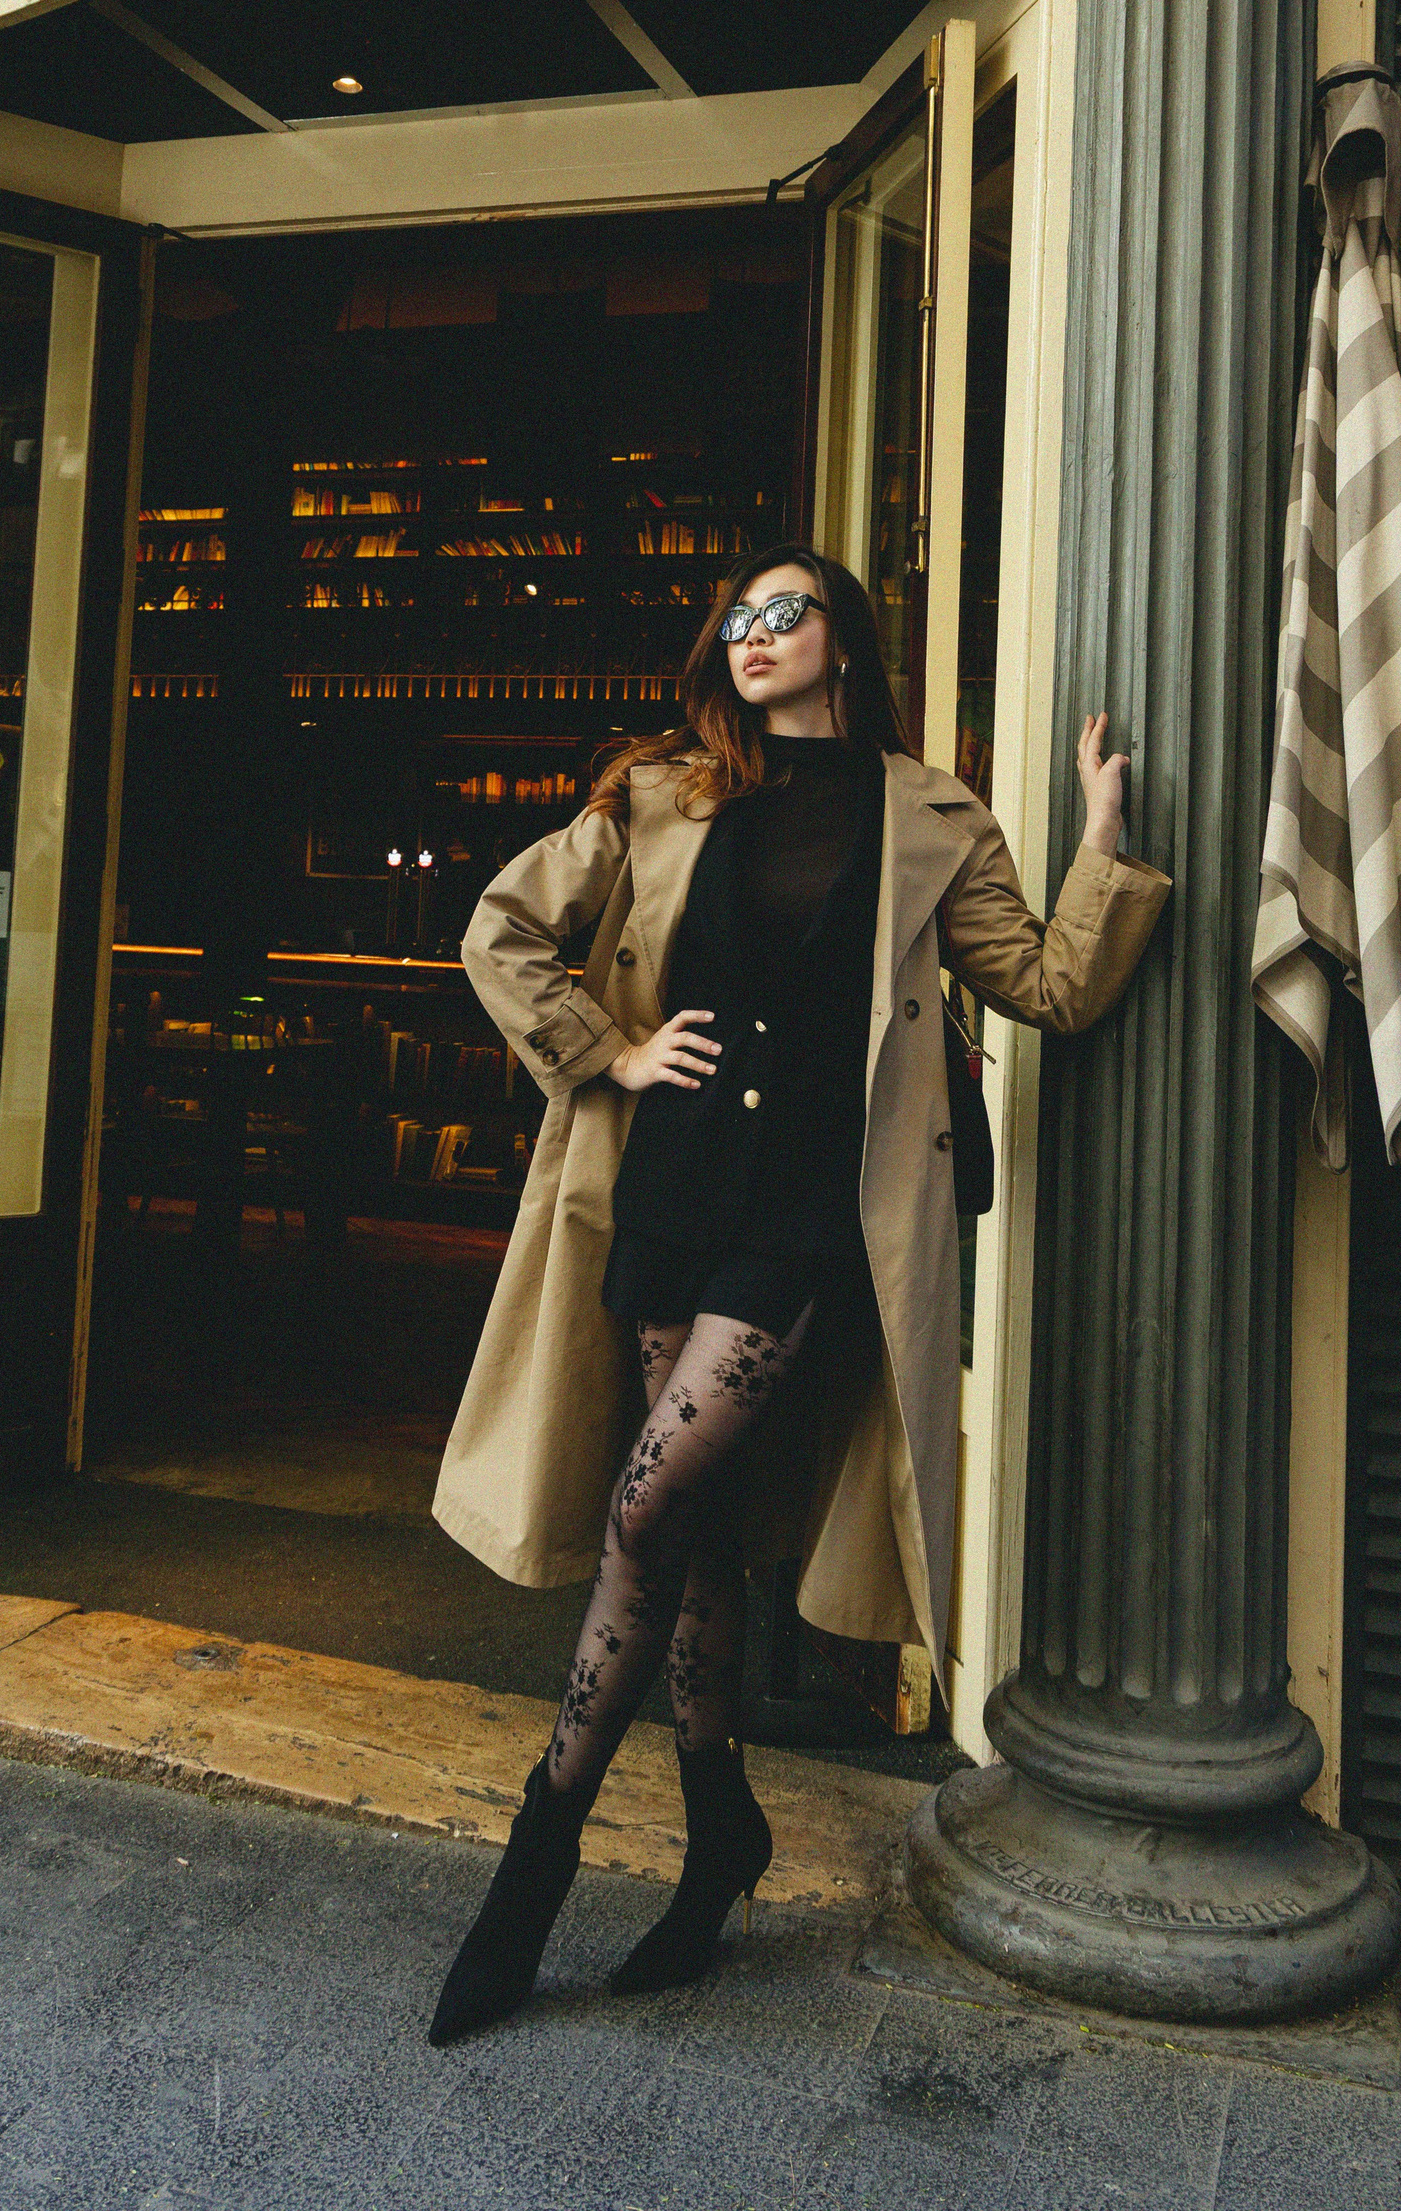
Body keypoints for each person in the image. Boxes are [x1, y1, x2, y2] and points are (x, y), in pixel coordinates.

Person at [426, 547, 1170, 2046]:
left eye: (784, 613)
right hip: (674, 1185)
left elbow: (1049, 987)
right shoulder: (663, 790)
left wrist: (1103, 840)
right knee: (687, 1526)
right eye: (737, 621)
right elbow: (500, 930)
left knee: (649, 1505)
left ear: (844, 638)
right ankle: (719, 1832)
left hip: (812, 1214)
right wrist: (611, 1050)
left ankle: (534, 1865)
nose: (753, 637)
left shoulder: (935, 815)